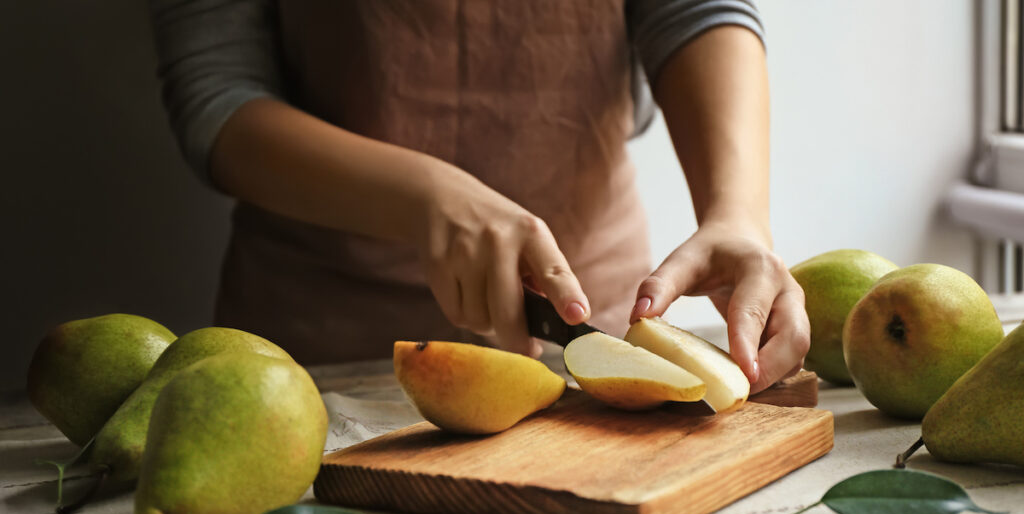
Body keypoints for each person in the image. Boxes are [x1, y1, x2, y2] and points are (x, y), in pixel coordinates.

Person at [150, 0, 809, 394]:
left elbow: (694, 9)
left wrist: (737, 214)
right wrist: (422, 193)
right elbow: (217, 94)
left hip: (591, 309)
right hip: (313, 352)